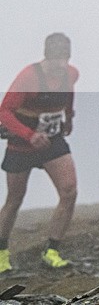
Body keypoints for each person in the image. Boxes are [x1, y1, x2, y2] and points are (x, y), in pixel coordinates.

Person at [0, 33, 79, 272]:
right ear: (46, 57)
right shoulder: (29, 77)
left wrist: (69, 117)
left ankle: (51, 251)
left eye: (65, 60)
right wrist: (29, 135)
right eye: (57, 61)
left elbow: (69, 94)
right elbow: (4, 111)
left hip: (51, 141)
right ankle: (1, 254)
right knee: (15, 199)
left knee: (69, 191)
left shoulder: (71, 73)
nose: (61, 66)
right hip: (21, 144)